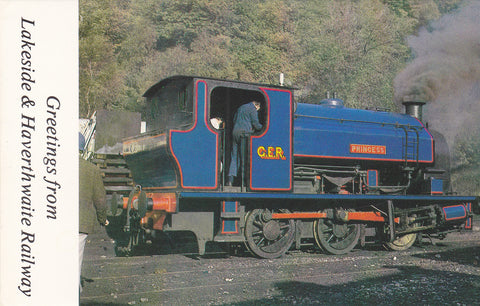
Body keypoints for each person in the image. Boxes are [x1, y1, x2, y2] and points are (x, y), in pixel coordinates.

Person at [79, 133, 108, 292]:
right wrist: (102, 219)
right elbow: (100, 200)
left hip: (57, 223)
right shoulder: (92, 170)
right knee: (75, 260)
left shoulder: (54, 167)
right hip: (80, 224)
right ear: (82, 150)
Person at [227, 101, 262, 186]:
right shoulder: (252, 109)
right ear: (257, 106)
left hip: (235, 133)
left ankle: (230, 180)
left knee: (234, 157)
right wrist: (263, 127)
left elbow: (234, 119)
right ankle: (243, 182)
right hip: (244, 134)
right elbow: (256, 124)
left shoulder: (241, 107)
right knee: (244, 158)